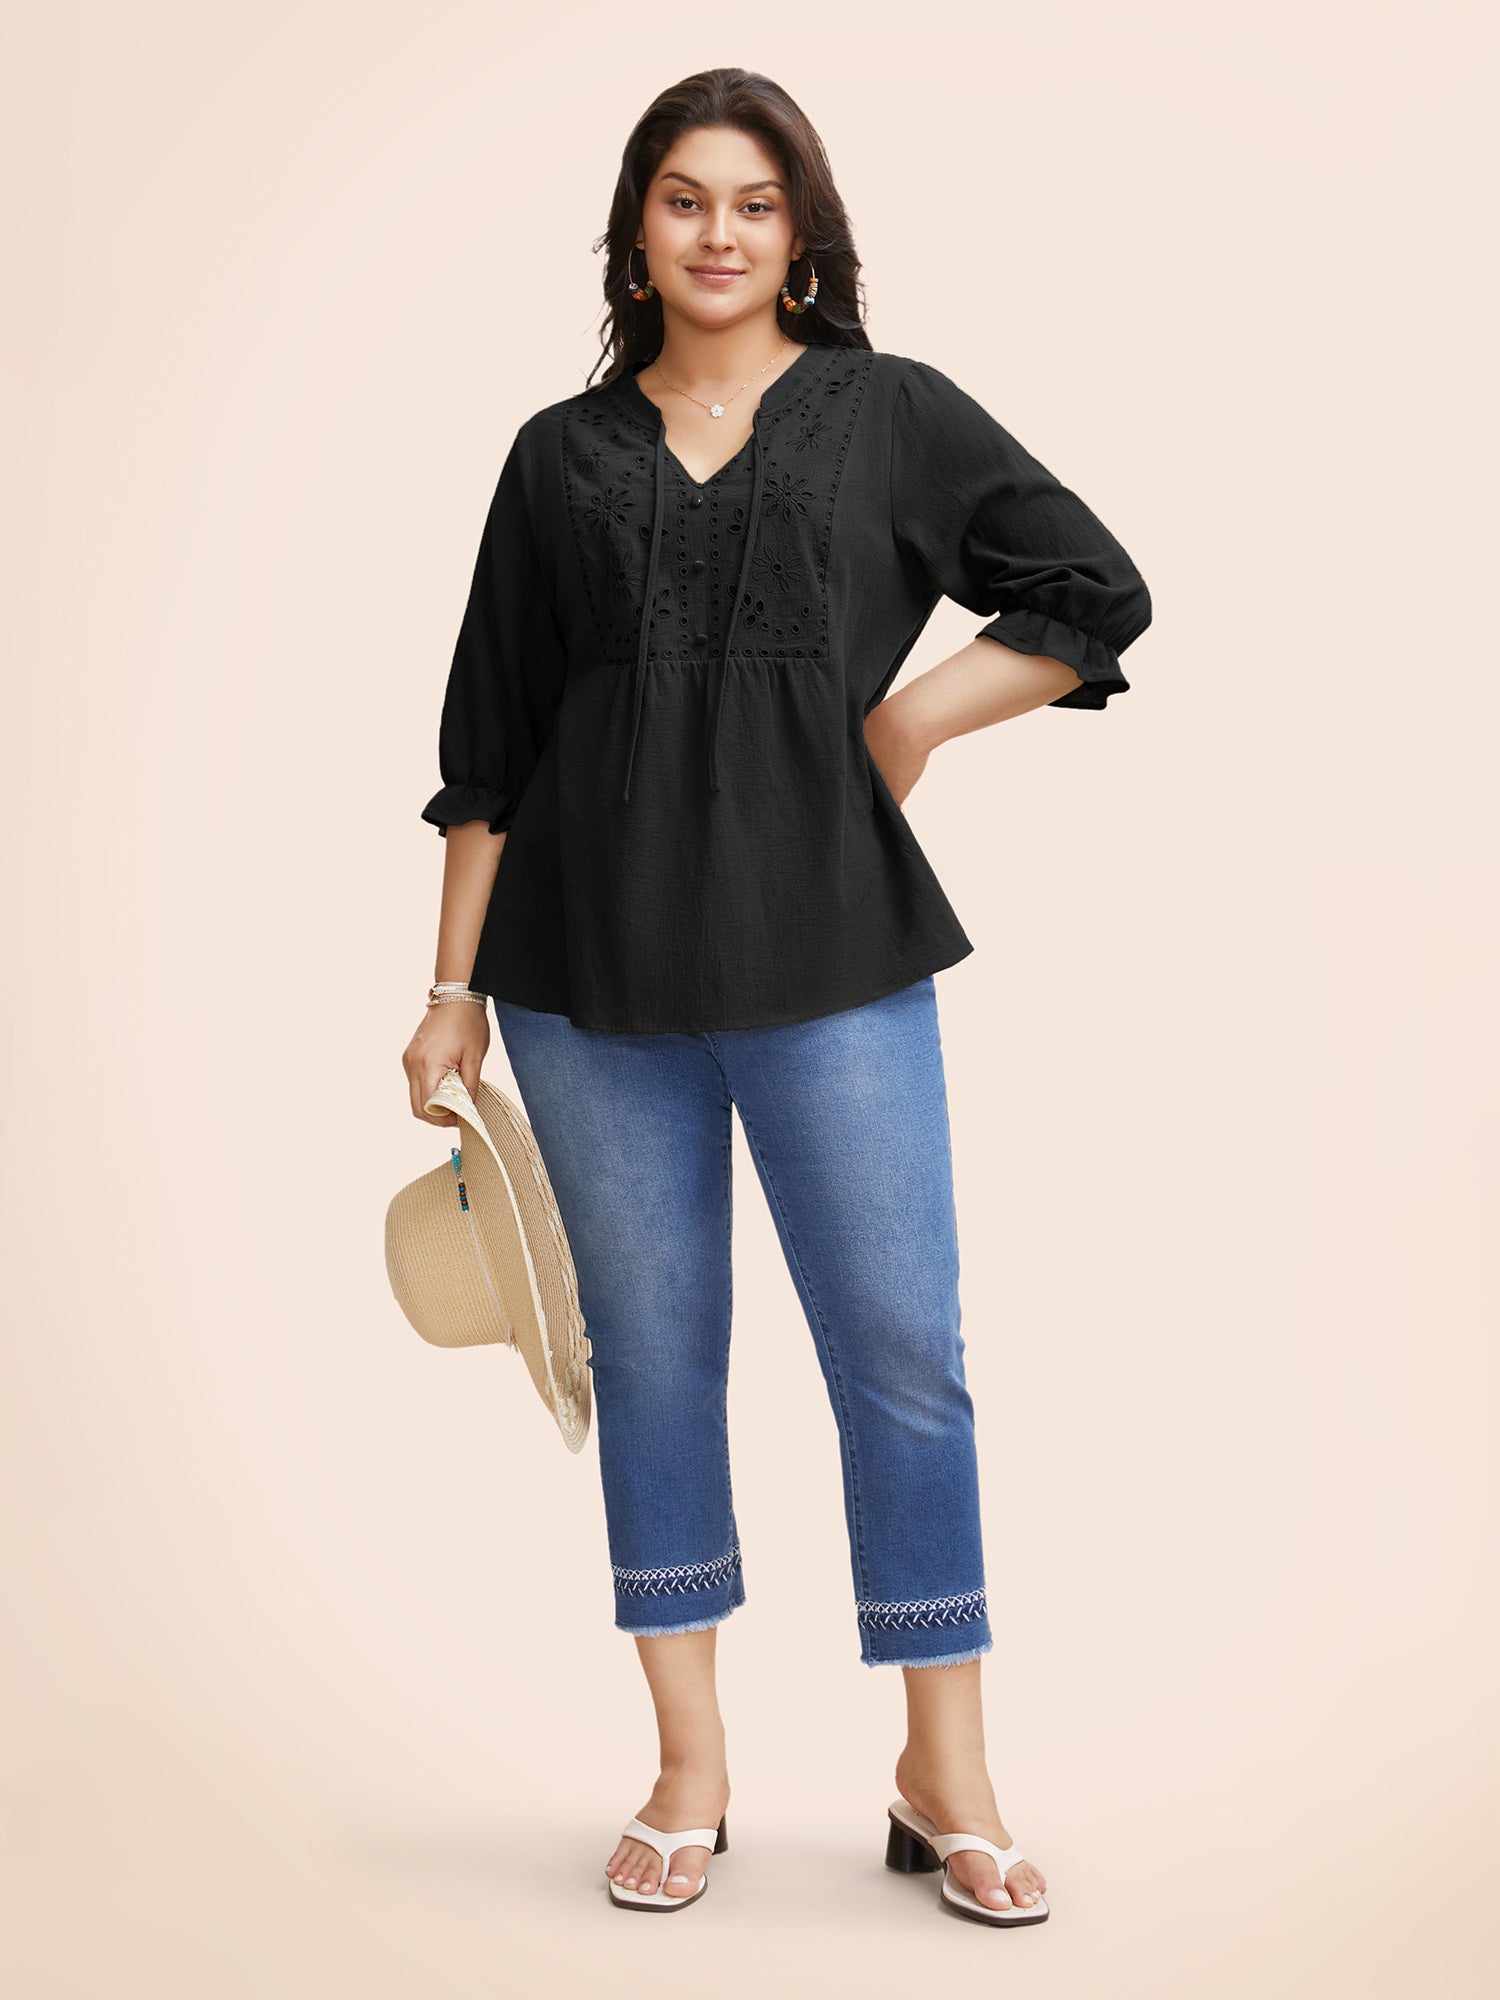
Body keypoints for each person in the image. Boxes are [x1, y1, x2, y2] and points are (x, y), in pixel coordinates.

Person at [402, 67, 1151, 1923]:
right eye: (684, 199)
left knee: (902, 1356)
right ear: (635, 231)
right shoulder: (556, 457)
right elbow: (489, 745)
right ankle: (690, 1769)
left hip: (832, 952)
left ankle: (944, 1772)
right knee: (654, 1362)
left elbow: (1090, 587)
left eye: (753, 201)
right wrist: (449, 989)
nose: (718, 232)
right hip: (583, 980)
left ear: (800, 230)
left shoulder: (887, 413)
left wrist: (911, 721)